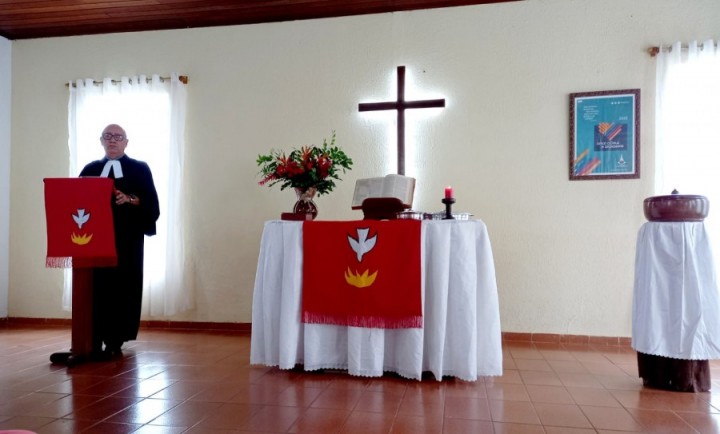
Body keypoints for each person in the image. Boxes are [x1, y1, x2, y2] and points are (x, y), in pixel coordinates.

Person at [80, 124, 160, 358]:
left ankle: (116, 339)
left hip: (126, 239)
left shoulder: (139, 168)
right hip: (93, 240)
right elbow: (76, 200)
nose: (112, 141)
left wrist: (130, 199)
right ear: (101, 141)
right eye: (108, 136)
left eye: (118, 137)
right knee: (97, 289)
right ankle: (93, 337)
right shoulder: (90, 168)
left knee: (123, 287)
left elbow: (151, 203)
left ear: (126, 142)